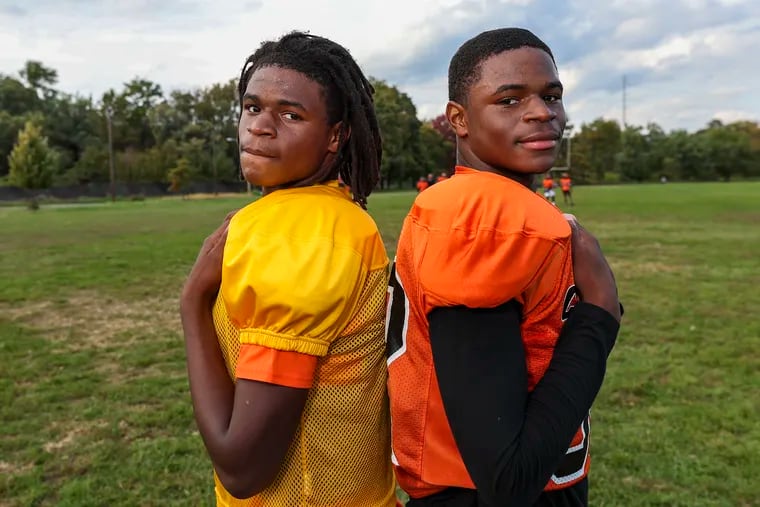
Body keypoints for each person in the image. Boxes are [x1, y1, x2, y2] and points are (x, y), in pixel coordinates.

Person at [386, 28, 622, 506]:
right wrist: (600, 315)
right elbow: (507, 478)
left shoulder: (484, 204)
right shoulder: (486, 220)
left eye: (551, 95)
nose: (542, 112)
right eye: (509, 100)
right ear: (459, 118)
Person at [180, 32, 396, 506]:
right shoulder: (333, 214)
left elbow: (243, 467)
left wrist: (193, 305)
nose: (260, 126)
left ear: (335, 136)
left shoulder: (296, 232)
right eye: (253, 107)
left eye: (290, 114)